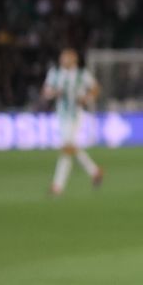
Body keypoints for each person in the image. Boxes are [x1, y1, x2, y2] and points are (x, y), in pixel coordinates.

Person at [41, 47, 103, 195]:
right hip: (61, 114)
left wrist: (86, 99)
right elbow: (46, 92)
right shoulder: (55, 73)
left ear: (74, 59)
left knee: (67, 147)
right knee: (68, 148)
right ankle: (94, 171)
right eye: (62, 57)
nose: (63, 60)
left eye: (66, 57)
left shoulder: (82, 74)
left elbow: (95, 88)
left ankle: (57, 186)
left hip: (75, 114)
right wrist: (54, 93)